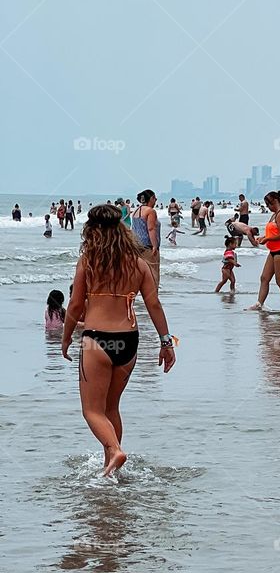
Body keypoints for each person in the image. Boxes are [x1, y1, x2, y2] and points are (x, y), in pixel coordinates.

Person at [60, 203, 176, 476]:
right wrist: (166, 342)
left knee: (91, 411)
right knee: (111, 407)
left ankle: (115, 450)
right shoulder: (138, 264)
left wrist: (65, 339)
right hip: (128, 341)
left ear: (91, 230)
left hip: (97, 341)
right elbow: (154, 305)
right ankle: (111, 466)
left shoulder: (88, 261)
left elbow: (76, 306)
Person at [250, 190, 280, 310]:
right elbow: (273, 232)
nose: (268, 207)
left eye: (269, 204)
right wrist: (263, 237)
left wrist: (267, 239)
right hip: (274, 250)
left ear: (275, 201)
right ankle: (259, 304)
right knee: (264, 278)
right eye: (267, 205)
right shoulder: (274, 214)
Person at [131, 189, 161, 286]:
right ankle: (152, 299)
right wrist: (155, 246)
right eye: (154, 197)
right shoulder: (150, 211)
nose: (156, 199)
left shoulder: (136, 211)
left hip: (136, 246)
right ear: (150, 198)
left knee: (138, 276)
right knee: (153, 276)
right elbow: (151, 229)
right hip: (148, 246)